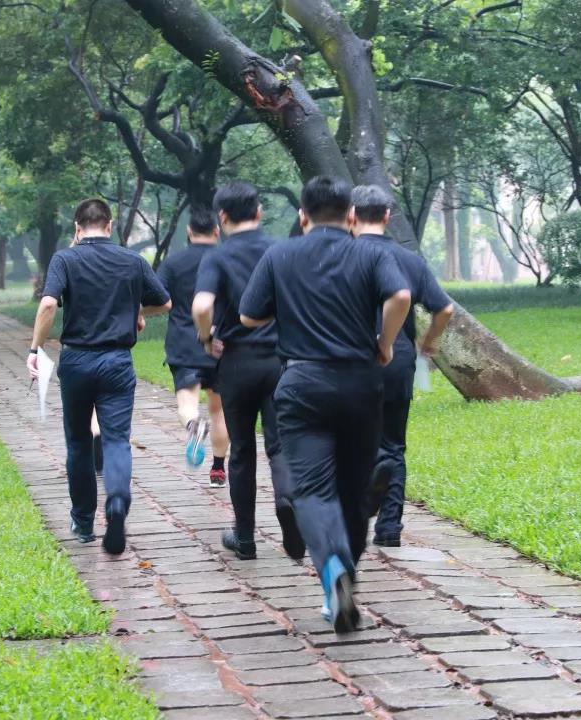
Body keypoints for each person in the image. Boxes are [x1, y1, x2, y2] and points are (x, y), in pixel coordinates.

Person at [239, 176, 411, 633]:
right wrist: (386, 344)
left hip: (303, 384)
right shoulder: (371, 252)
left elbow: (248, 314)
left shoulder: (281, 253)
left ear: (302, 216)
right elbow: (401, 296)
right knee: (354, 493)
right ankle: (345, 575)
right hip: (361, 383)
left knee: (313, 490)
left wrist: (290, 304)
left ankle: (332, 572)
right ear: (352, 215)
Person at [27, 199, 171, 555]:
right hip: (118, 362)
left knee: (77, 443)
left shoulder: (65, 258)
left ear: (77, 228)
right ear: (110, 226)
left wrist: (35, 349)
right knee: (117, 440)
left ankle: (84, 522)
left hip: (76, 361)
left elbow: (47, 305)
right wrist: (136, 310)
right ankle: (118, 502)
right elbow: (165, 303)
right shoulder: (132, 260)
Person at [192, 182, 301, 561]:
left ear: (221, 217)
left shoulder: (217, 257)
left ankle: (244, 537)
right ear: (259, 211)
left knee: (241, 450)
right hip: (279, 361)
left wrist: (206, 339)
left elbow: (202, 304)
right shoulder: (281, 250)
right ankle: (288, 503)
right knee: (280, 444)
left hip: (236, 362)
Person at [350, 185, 454, 547]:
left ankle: (355, 514)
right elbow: (444, 309)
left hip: (349, 359)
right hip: (398, 359)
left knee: (350, 440)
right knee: (393, 444)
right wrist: (429, 343)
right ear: (387, 216)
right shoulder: (409, 260)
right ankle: (390, 528)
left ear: (351, 215)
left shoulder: (341, 255)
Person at [155, 205, 230, 486]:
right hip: (221, 343)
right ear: (216, 230)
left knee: (187, 401)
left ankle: (192, 425)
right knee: (218, 409)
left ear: (188, 233)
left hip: (183, 343)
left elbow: (160, 298)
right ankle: (218, 470)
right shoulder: (226, 260)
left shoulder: (173, 263)